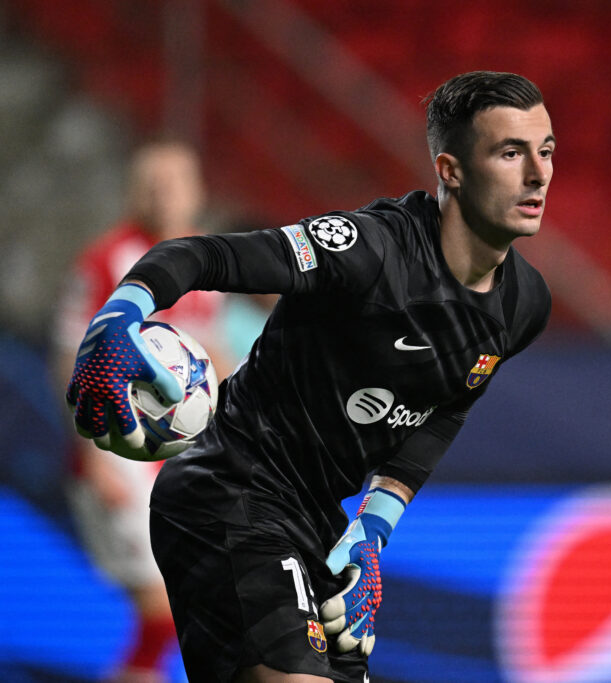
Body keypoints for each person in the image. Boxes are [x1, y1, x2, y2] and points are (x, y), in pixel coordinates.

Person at [65, 71, 554, 682]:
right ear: (451, 170)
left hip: (317, 521)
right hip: (230, 488)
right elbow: (200, 255)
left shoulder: (523, 306)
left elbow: (450, 405)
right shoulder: (367, 250)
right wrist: (122, 312)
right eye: (511, 153)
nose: (538, 174)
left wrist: (374, 527)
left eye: (546, 151)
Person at [54, 140, 229, 682]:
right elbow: (68, 357)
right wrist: (94, 452)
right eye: (152, 182)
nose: (163, 193)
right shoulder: (108, 258)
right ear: (133, 191)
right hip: (117, 452)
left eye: (174, 181)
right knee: (163, 605)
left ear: (197, 191)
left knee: (184, 606)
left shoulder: (204, 261)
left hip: (170, 461)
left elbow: (206, 354)